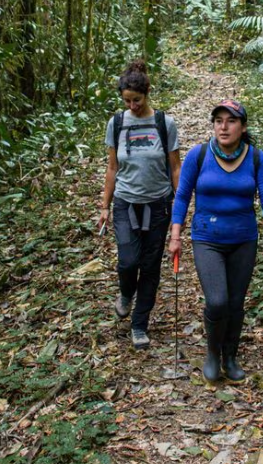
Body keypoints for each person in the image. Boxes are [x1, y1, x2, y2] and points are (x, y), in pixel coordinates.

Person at [169, 99, 263, 382]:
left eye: (231, 121)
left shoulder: (256, 158)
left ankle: (230, 356)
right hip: (207, 237)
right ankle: (212, 353)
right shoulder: (199, 155)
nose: (224, 126)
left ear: (242, 127)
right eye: (218, 121)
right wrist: (176, 234)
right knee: (217, 301)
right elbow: (182, 195)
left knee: (235, 302)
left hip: (244, 238)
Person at [98, 60, 180, 349]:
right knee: (128, 261)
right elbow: (111, 168)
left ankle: (139, 324)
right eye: (127, 101)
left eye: (137, 100)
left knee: (150, 266)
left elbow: (175, 168)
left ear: (147, 94)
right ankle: (125, 294)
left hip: (158, 204)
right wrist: (104, 206)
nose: (132, 106)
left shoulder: (163, 123)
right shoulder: (117, 123)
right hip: (125, 202)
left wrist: (179, 210)